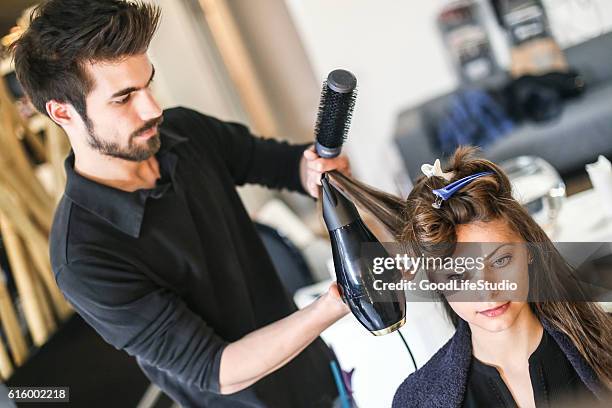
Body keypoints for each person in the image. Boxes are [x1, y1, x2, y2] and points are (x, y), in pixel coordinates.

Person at [10, 1, 351, 407]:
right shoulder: (83, 257)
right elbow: (217, 369)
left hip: (319, 369)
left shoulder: (183, 132)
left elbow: (281, 164)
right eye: (124, 98)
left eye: (148, 84)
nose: (152, 109)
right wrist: (337, 301)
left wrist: (311, 169)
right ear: (63, 113)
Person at [327, 146, 612, 407]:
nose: (487, 292)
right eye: (458, 276)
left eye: (500, 260)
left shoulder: (604, 343)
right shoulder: (417, 400)